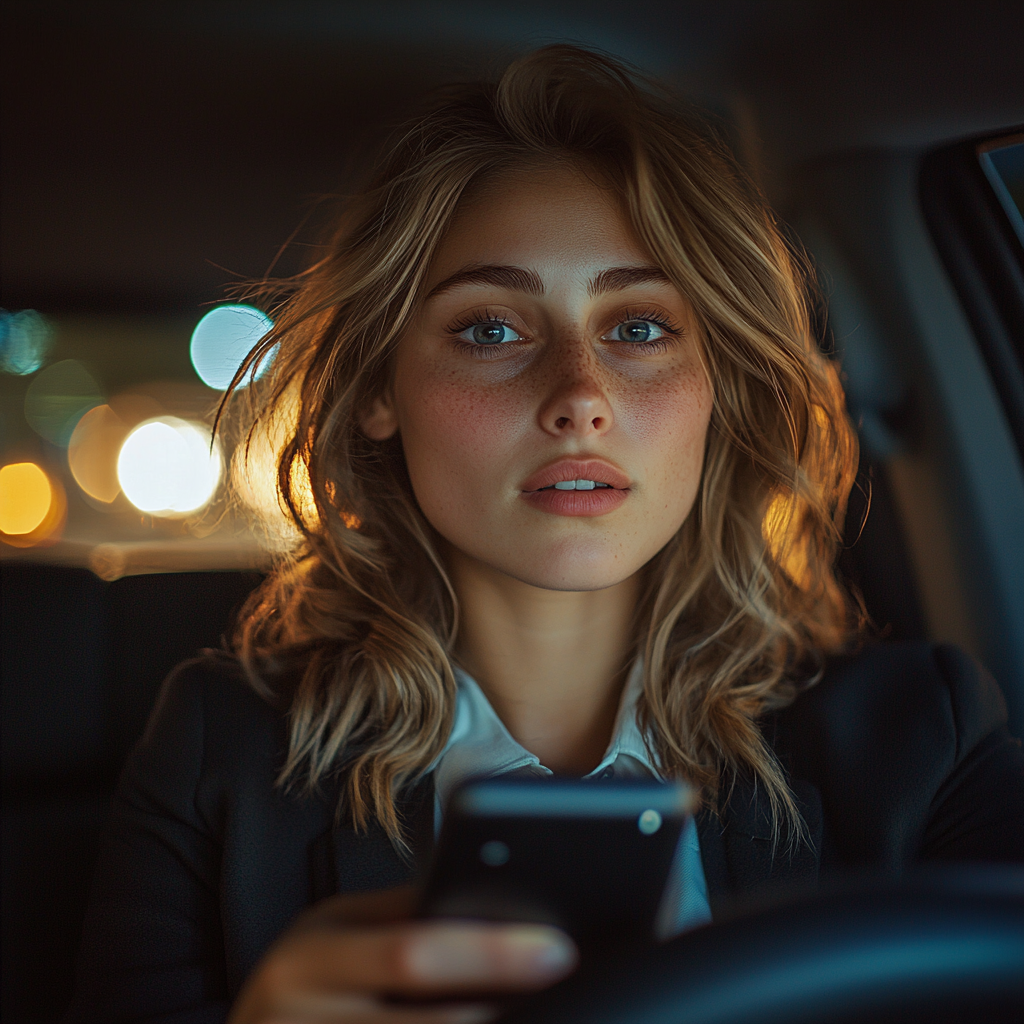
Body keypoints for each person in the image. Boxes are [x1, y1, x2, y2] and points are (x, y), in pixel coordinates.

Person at [67, 46, 1024, 1024]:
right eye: (491, 329)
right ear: (377, 392)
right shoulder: (218, 754)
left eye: (640, 326)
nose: (579, 398)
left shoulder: (925, 738)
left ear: (719, 384)